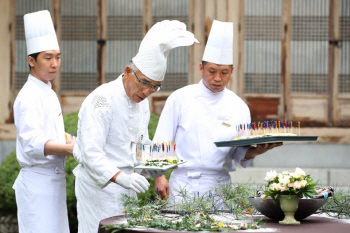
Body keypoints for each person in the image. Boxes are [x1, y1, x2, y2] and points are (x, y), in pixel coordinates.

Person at [72, 20, 198, 233]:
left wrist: (158, 171)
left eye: (155, 87)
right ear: (128, 71)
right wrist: (120, 177)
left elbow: (141, 145)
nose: (149, 91)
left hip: (128, 186)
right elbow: (91, 152)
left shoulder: (142, 103)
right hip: (100, 187)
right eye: (145, 83)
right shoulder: (102, 99)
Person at [153, 20, 282, 200]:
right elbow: (162, 140)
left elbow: (239, 153)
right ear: (201, 68)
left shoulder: (238, 106)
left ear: (232, 71)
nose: (217, 78)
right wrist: (159, 176)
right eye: (211, 71)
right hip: (183, 184)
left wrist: (260, 150)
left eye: (224, 72)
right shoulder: (180, 98)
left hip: (220, 186)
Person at [12, 10, 75, 233]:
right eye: (48, 57)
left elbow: (51, 133)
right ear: (31, 60)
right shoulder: (28, 96)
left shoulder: (47, 91)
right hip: (37, 184)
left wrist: (70, 141)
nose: (55, 63)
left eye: (58, 57)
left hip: (54, 182)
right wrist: (70, 148)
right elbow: (32, 142)